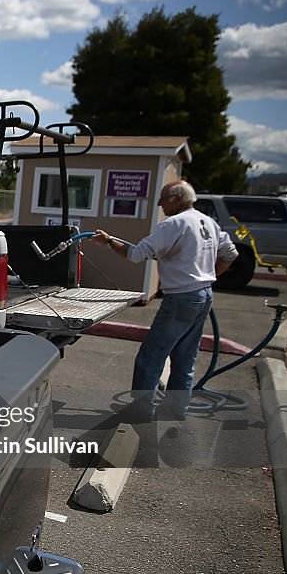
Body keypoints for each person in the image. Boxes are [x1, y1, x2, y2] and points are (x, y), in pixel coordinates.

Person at [92, 180, 238, 421]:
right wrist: (206, 276)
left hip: (180, 298)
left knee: (152, 355)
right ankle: (177, 409)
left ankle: (141, 409)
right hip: (204, 296)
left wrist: (108, 241)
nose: (159, 204)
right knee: (185, 356)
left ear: (177, 198)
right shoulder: (208, 222)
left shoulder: (173, 224)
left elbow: (136, 254)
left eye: (163, 198)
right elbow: (230, 253)